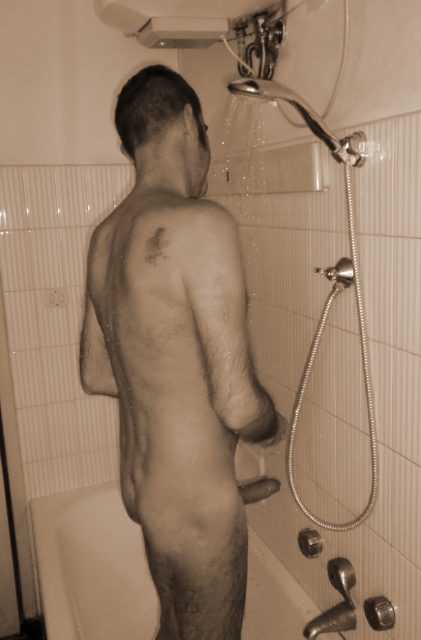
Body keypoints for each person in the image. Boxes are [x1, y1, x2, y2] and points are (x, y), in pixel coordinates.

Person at [79, 65, 287, 640]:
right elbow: (238, 404)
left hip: (147, 491)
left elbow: (97, 373)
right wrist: (274, 429)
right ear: (190, 123)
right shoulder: (200, 223)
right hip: (195, 509)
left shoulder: (106, 237)